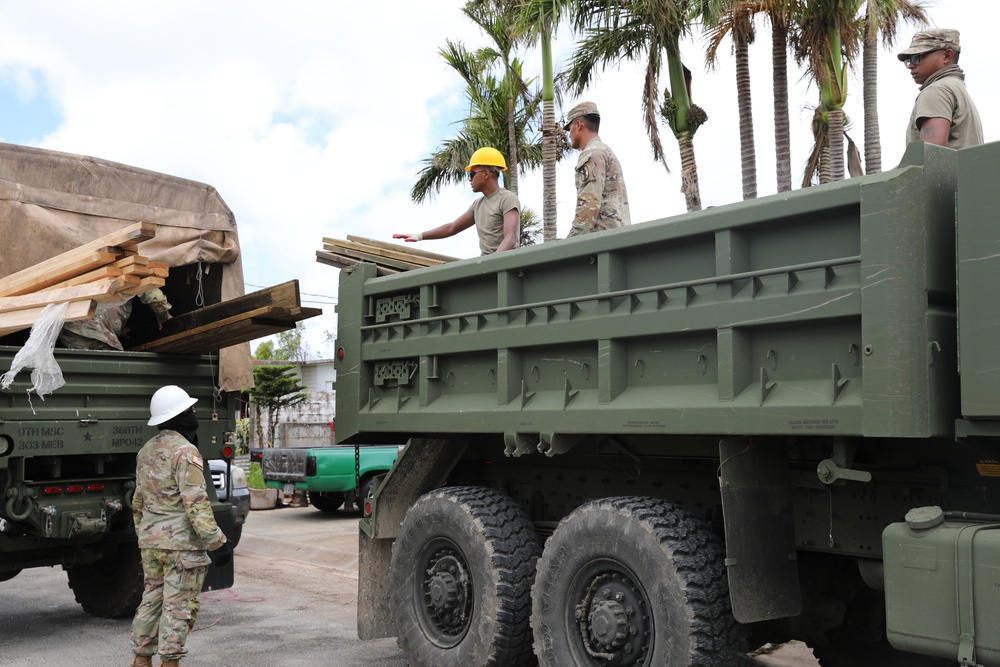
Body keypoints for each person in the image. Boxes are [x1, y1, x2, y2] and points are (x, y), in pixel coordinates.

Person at [130, 385, 230, 667]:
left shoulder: (145, 451)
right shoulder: (186, 452)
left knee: (151, 600)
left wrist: (146, 535)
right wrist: (218, 543)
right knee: (178, 607)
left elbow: (138, 501)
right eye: (191, 410)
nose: (195, 414)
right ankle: (170, 662)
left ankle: (140, 660)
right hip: (181, 547)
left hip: (151, 542)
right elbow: (196, 504)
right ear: (179, 416)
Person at [394, 147, 520, 255]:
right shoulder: (477, 205)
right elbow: (452, 227)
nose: (469, 179)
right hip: (488, 269)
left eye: (472, 174)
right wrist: (419, 236)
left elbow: (510, 238)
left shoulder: (507, 199)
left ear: (486, 174)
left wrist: (493, 263)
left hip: (507, 268)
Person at [898, 29, 983, 149]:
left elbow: (931, 157)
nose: (911, 65)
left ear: (947, 56)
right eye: (908, 60)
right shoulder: (955, 87)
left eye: (917, 57)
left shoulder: (936, 91)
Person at [564, 101, 631, 237]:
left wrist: (570, 243)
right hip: (617, 236)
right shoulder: (604, 151)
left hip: (601, 241)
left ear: (578, 125)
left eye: (569, 127)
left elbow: (588, 206)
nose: (569, 133)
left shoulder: (592, 154)